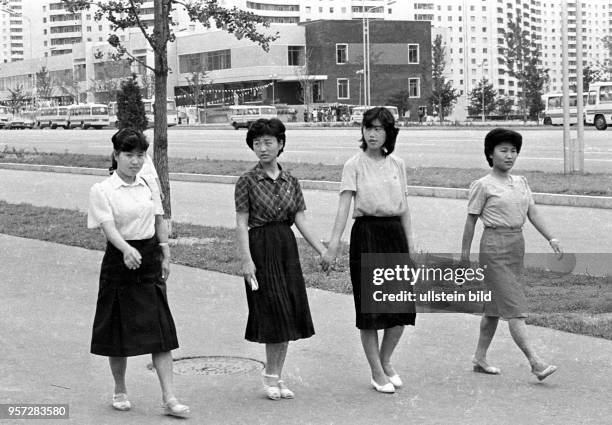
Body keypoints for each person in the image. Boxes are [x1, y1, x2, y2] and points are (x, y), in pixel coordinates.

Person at [87, 128, 189, 417]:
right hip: (119, 263)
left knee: (161, 331)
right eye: (128, 155)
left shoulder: (147, 184)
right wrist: (125, 250)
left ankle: (169, 398)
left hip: (149, 259)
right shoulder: (102, 190)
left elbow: (158, 217)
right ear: (116, 156)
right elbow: (108, 227)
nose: (135, 161)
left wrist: (165, 249)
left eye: (140, 155)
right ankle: (120, 388)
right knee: (116, 331)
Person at [322, 107, 416, 394]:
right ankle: (377, 372)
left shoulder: (397, 164)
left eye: (379, 129)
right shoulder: (354, 165)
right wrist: (333, 245)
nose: (373, 134)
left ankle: (386, 361)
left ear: (389, 133)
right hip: (367, 236)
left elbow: (405, 208)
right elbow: (344, 207)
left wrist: (411, 248)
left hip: (394, 236)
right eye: (368, 128)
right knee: (371, 309)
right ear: (361, 131)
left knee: (401, 307)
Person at [234, 118, 326, 400]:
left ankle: (275, 374)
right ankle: (270, 376)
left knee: (287, 312)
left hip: (286, 249)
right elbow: (241, 223)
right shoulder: (246, 181)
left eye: (268, 142)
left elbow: (300, 220)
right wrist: (246, 260)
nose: (262, 148)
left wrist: (322, 250)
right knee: (273, 311)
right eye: (257, 143)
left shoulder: (292, 182)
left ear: (280, 144)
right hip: (260, 248)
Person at [461, 128, 562, 381]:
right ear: (490, 154)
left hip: (516, 244)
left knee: (494, 309)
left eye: (513, 151)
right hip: (494, 247)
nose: (509, 155)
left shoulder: (521, 182)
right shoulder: (483, 185)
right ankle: (535, 362)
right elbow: (471, 221)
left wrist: (551, 237)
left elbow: (533, 212)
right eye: (503, 150)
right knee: (515, 307)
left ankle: (479, 358)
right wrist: (464, 256)